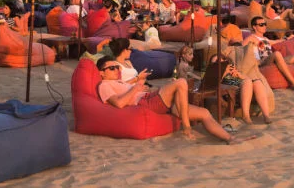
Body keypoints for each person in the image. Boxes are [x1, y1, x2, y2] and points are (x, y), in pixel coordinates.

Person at [96, 54, 232, 143]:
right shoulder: (104, 85)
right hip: (147, 103)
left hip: (151, 97)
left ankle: (230, 138)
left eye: (117, 67)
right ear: (101, 73)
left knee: (204, 113)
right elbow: (119, 103)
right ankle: (187, 127)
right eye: (112, 68)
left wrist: (139, 82)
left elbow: (131, 89)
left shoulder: (118, 82)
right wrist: (135, 88)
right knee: (181, 83)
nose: (117, 70)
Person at [244, 16, 294, 91]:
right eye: (261, 25)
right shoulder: (251, 38)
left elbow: (276, 41)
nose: (264, 26)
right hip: (262, 61)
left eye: (265, 24)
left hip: (272, 59)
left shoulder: (265, 39)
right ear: (254, 27)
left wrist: (288, 38)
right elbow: (240, 48)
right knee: (277, 54)